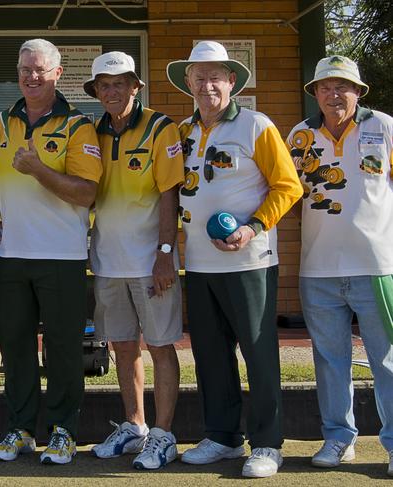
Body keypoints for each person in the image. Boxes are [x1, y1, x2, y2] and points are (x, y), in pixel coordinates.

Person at [165, 41, 302, 478]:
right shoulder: (181, 132)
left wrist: (252, 227)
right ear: (188, 83)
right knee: (209, 355)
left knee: (259, 355)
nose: (208, 84)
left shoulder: (256, 124)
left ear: (231, 82)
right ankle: (223, 437)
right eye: (199, 77)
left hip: (249, 262)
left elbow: (288, 186)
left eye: (216, 76)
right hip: (200, 264)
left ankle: (267, 443)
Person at [0, 38, 102, 465]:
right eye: (25, 69)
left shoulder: (78, 125)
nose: (31, 77)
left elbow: (86, 193)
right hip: (11, 256)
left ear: (56, 73)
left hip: (63, 257)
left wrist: (38, 169)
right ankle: (21, 428)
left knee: (64, 349)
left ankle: (64, 430)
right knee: (14, 347)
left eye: (40, 70)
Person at [287, 55, 393, 476]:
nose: (334, 94)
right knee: (330, 360)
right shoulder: (299, 135)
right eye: (326, 87)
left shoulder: (382, 126)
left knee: (387, 359)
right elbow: (293, 199)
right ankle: (338, 439)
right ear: (315, 92)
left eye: (343, 87)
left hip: (377, 266)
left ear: (358, 92)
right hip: (318, 269)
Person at [83, 51, 184, 470]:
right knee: (123, 348)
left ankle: (163, 435)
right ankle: (135, 425)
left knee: (160, 346)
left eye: (120, 83)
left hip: (151, 262)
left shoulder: (162, 128)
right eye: (104, 85)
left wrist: (164, 254)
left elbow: (169, 195)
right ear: (95, 91)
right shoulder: (91, 132)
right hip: (107, 261)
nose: (112, 91)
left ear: (135, 86)